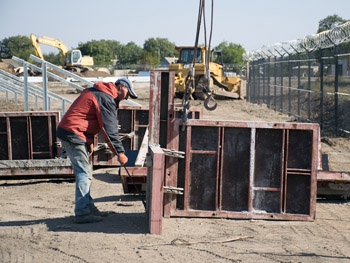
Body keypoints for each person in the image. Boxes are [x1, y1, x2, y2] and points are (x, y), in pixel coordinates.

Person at [57, 77, 137, 224]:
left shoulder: (99, 93)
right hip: (73, 133)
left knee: (86, 171)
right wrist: (119, 152)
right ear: (121, 87)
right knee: (84, 173)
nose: (127, 97)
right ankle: (82, 213)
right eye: (128, 93)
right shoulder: (105, 97)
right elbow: (109, 130)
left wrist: (89, 141)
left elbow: (87, 117)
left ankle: (88, 207)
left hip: (73, 132)